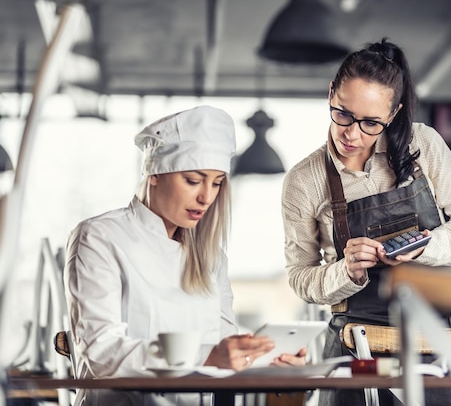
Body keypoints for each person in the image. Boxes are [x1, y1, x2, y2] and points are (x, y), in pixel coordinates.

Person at [281, 38, 451, 405]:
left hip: (438, 334)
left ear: (392, 115)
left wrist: (428, 246)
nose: (352, 134)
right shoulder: (304, 181)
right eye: (342, 113)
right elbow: (300, 276)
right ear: (331, 93)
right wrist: (345, 271)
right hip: (356, 338)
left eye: (370, 123)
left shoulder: (421, 144)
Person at [64, 105, 304, 406]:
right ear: (154, 173)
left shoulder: (211, 256)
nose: (206, 197)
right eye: (193, 180)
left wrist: (269, 361)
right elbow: (102, 353)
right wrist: (208, 356)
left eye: (216, 183)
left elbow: (224, 346)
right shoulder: (100, 237)